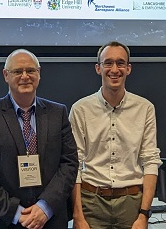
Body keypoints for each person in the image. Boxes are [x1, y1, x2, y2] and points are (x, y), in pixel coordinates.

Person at [0, 49, 78, 229]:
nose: (25, 76)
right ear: (6, 75)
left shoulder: (58, 113)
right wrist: (14, 212)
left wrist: (45, 207)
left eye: (30, 70)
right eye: (18, 71)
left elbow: (69, 163)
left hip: (49, 219)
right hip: (4, 220)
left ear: (39, 73)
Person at [69, 41, 161, 229]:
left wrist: (144, 215)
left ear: (128, 69)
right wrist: (77, 216)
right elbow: (74, 164)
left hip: (131, 204)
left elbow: (150, 161)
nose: (114, 69)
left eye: (120, 63)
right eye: (108, 63)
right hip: (91, 203)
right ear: (98, 68)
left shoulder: (145, 108)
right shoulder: (80, 110)